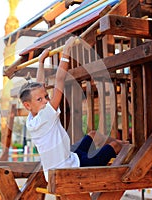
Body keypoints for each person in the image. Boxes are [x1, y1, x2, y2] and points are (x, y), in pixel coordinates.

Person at [19, 36, 124, 182]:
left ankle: (126, 145)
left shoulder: (32, 120)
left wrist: (41, 62)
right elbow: (60, 80)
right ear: (28, 105)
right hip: (70, 170)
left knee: (93, 134)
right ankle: (126, 148)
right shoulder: (46, 115)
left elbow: (39, 86)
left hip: (69, 158)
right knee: (115, 146)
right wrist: (67, 51)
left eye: (46, 97)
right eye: (40, 100)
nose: (45, 101)